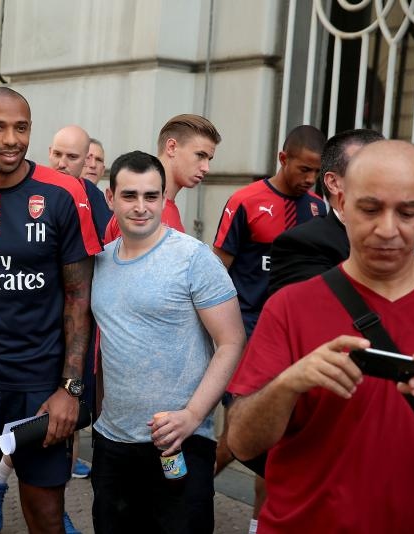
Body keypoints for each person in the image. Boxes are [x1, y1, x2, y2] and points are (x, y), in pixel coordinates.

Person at [226, 139, 414, 533]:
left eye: (408, 213)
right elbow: (242, 442)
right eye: (370, 208)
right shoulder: (291, 307)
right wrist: (288, 384)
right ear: (342, 204)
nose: (387, 229)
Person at [0, 87, 101, 534]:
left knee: (46, 513)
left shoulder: (64, 193)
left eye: (21, 127)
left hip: (40, 385)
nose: (11, 139)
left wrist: (72, 388)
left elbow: (79, 299)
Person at [90, 151, 244, 533]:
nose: (141, 207)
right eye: (129, 196)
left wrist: (192, 416)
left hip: (180, 442)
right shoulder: (99, 261)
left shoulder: (194, 258)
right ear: (110, 199)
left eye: (151, 196)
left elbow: (231, 341)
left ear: (163, 198)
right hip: (113, 442)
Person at [213, 125, 326, 337]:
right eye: (304, 169)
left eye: (317, 171)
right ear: (283, 159)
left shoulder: (318, 208)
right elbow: (217, 268)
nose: (311, 179)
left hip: (294, 325)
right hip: (246, 324)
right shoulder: (245, 201)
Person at [268, 129, 383, 295]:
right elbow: (312, 312)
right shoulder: (301, 245)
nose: (387, 183)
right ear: (334, 183)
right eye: (372, 174)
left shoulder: (407, 242)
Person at [104, 114, 221, 240]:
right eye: (200, 155)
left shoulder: (164, 210)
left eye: (209, 159)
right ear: (171, 147)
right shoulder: (142, 214)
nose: (206, 168)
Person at [48, 125, 112, 238]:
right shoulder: (33, 186)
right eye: (57, 154)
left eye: (72, 156)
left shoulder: (95, 195)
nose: (62, 164)